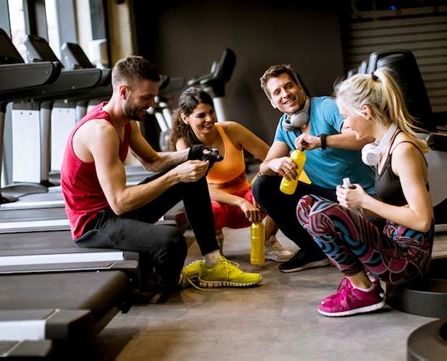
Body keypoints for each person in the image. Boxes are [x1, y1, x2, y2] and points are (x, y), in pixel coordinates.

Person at [61, 55, 262, 290]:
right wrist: (176, 175)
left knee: (193, 172)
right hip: (95, 225)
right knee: (171, 240)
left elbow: (153, 161)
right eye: (146, 97)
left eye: (153, 97)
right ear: (123, 91)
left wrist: (193, 153)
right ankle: (163, 284)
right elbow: (120, 203)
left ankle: (213, 262)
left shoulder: (127, 123)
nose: (152, 103)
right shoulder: (101, 131)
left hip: (115, 212)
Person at [296, 68, 434, 317]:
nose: (345, 124)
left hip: (408, 262)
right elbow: (394, 208)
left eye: (345, 117)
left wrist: (366, 200)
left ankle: (364, 292)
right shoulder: (383, 147)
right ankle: (358, 283)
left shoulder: (403, 151)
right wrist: (357, 208)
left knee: (320, 215)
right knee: (306, 205)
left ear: (366, 112)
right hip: (392, 244)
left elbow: (422, 220)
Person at [252, 64, 375, 273]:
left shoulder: (326, 107)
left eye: (288, 86)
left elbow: (363, 137)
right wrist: (274, 163)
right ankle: (313, 251)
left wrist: (321, 141)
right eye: (277, 92)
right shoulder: (285, 126)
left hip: (358, 194)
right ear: (272, 102)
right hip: (325, 196)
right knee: (262, 185)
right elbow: (264, 167)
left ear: (299, 87)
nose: (285, 94)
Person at [169, 87, 293, 262]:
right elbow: (200, 187)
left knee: (278, 180)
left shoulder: (231, 130)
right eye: (201, 115)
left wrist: (258, 187)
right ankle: (215, 249)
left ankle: (268, 241)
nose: (209, 119)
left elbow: (271, 158)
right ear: (185, 118)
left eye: (211, 112)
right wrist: (239, 201)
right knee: (207, 207)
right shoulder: (184, 144)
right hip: (219, 205)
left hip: (249, 202)